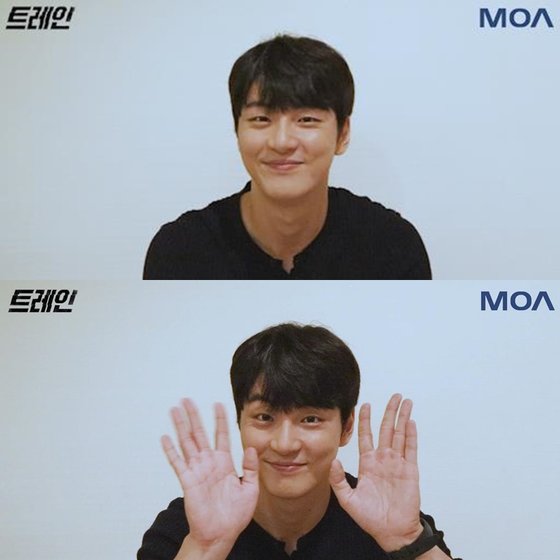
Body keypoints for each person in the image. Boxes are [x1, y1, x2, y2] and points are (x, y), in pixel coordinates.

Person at [137, 323, 459, 559]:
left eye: (310, 419)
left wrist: (407, 540)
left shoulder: (390, 518)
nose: (285, 444)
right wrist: (205, 548)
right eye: (265, 417)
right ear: (240, 422)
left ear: (346, 428)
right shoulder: (189, 525)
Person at [143, 35, 431, 279]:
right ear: (237, 130)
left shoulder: (392, 245)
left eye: (306, 119)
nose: (281, 142)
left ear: (343, 134)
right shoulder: (180, 250)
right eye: (261, 119)